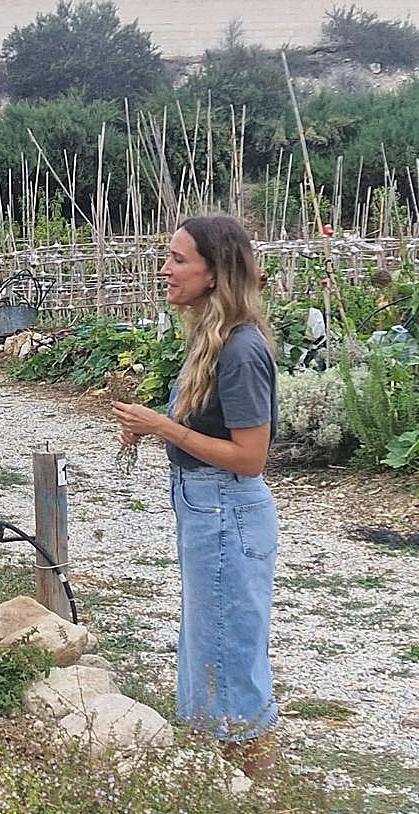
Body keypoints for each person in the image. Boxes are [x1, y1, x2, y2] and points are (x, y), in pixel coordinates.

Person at [110, 215, 279, 777]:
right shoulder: (212, 338)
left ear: (214, 272)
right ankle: (220, 775)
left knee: (228, 642)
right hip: (206, 505)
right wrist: (159, 425)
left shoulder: (239, 349)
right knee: (212, 638)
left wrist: (165, 428)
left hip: (226, 506)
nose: (165, 268)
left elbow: (251, 458)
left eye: (179, 259)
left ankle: (249, 782)